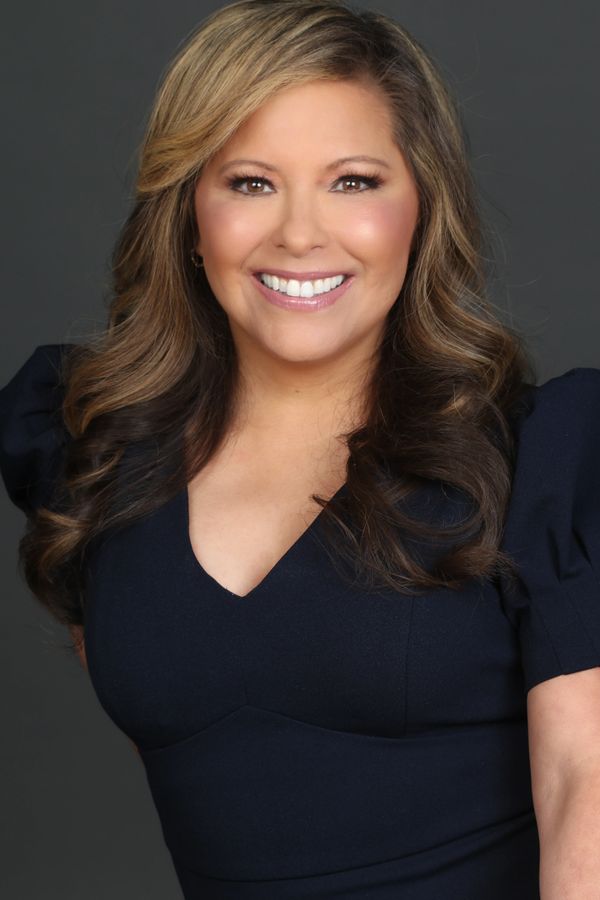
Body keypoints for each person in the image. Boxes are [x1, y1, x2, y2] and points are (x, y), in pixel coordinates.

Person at [1, 0, 599, 896]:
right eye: (251, 183)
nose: (300, 233)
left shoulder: (539, 463)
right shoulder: (94, 447)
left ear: (422, 208)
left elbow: (584, 786)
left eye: (353, 182)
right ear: (189, 215)